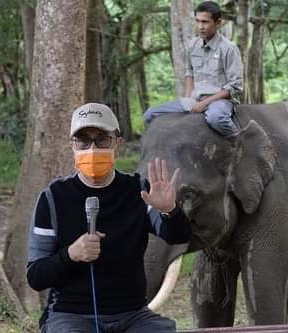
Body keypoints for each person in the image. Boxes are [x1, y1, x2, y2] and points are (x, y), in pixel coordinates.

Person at [27, 103, 192, 333]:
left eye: (102, 139)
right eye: (83, 140)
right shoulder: (52, 198)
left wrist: (170, 210)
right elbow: (35, 276)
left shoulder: (140, 190)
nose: (92, 149)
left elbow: (179, 236)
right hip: (71, 316)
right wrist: (70, 255)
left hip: (133, 314)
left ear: (117, 144)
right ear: (73, 146)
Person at [144, 1, 243, 136]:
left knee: (216, 119)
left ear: (218, 23)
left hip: (220, 102)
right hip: (195, 99)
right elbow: (189, 72)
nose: (200, 27)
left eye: (205, 22)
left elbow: (235, 86)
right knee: (150, 114)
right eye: (198, 21)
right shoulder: (193, 45)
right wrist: (189, 97)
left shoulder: (229, 49)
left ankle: (241, 141)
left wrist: (204, 103)